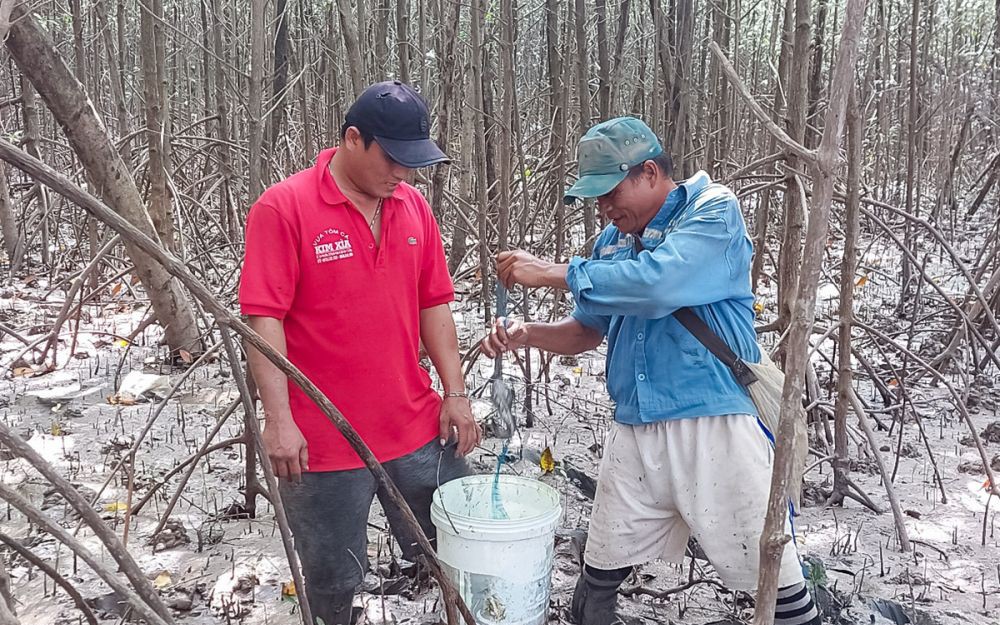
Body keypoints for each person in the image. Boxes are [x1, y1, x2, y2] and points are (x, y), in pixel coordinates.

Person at [480, 117, 819, 625]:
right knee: (600, 569)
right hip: (635, 427)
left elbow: (658, 286)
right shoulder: (611, 245)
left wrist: (553, 271)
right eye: (596, 199)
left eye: (611, 192)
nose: (605, 208)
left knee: (770, 573)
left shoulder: (713, 212)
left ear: (651, 172)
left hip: (714, 424)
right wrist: (528, 334)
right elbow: (587, 331)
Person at [240, 80, 481, 625]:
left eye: (413, 163)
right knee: (331, 580)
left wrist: (456, 393)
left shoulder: (414, 207)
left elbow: (434, 304)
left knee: (460, 547)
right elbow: (263, 319)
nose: (405, 175)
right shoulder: (284, 209)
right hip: (322, 442)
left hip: (413, 424)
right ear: (354, 139)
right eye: (394, 160)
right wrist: (279, 421)